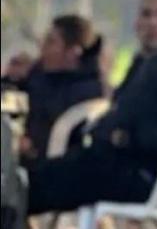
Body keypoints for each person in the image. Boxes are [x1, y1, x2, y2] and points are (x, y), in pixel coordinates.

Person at [26, 0, 157, 216]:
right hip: (108, 162)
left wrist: (125, 138)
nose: (153, 22)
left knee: (29, 187)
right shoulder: (144, 63)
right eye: (146, 14)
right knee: (27, 180)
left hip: (136, 174)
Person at [19, 14, 106, 161]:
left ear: (73, 52)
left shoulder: (88, 92)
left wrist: (30, 147)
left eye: (51, 42)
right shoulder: (40, 75)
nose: (43, 47)